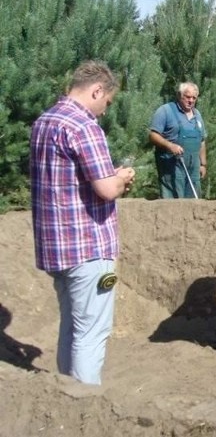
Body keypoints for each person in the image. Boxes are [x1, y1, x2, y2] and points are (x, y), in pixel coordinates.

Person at [30, 60, 136, 385]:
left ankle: (65, 399)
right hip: (88, 250)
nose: (105, 110)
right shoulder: (84, 126)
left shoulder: (44, 122)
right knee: (91, 332)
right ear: (97, 90)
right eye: (107, 102)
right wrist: (121, 179)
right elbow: (105, 189)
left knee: (72, 327)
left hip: (56, 249)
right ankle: (85, 410)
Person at [149, 82, 207, 198]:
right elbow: (152, 135)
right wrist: (170, 146)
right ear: (180, 95)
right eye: (187, 97)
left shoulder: (197, 115)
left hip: (193, 168)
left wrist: (203, 164)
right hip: (172, 166)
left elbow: (202, 141)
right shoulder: (165, 111)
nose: (191, 100)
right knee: (174, 204)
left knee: (194, 202)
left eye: (194, 98)